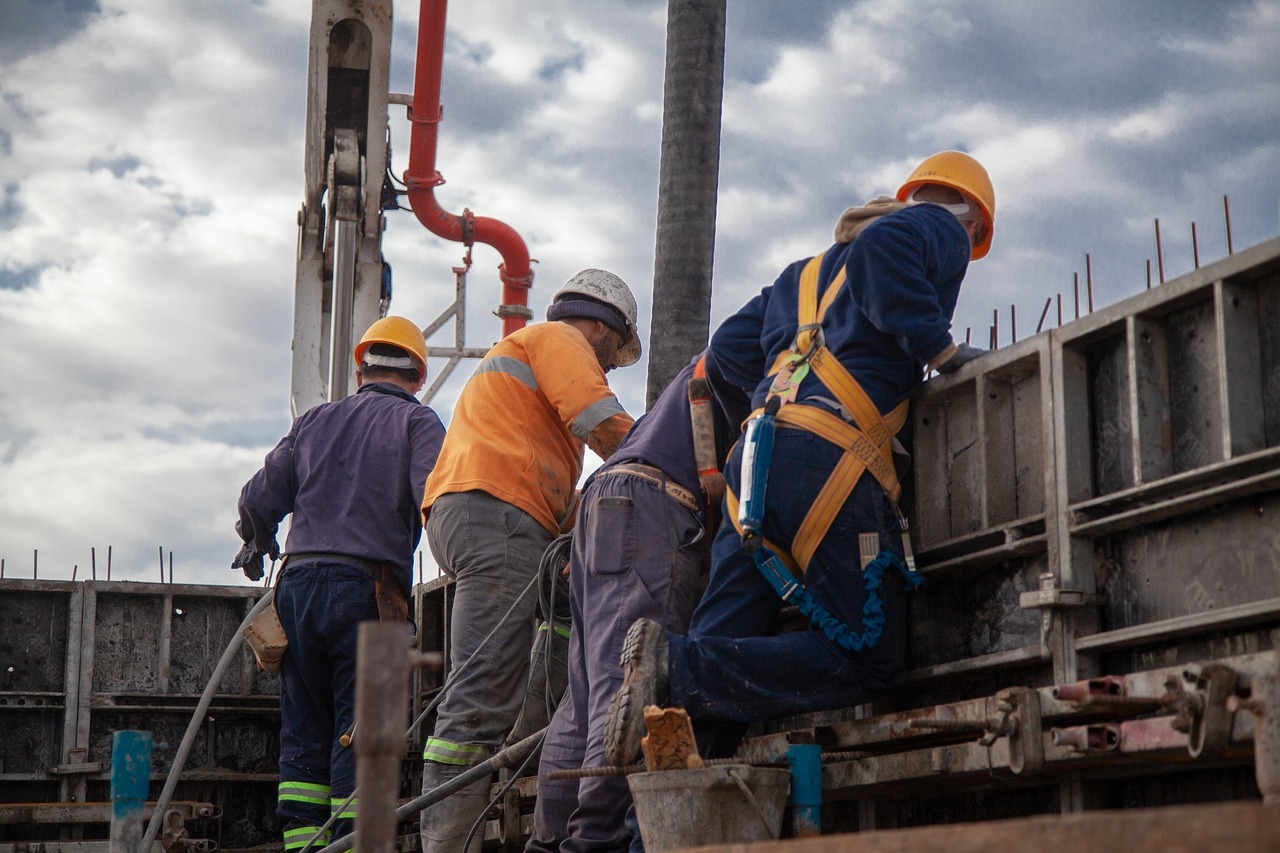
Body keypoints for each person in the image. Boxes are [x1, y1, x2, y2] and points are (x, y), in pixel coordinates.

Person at [604, 151, 996, 768]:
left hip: (753, 465)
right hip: (830, 463)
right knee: (870, 657)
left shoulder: (800, 276)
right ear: (973, 219)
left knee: (716, 655)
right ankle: (678, 666)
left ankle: (653, 820)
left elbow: (727, 353)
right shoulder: (941, 222)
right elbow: (884, 254)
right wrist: (942, 354)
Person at [418, 269, 642, 853]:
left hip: (488, 514)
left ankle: (533, 743)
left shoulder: (527, 370)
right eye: (615, 355)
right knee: (477, 702)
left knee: (551, 634)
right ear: (601, 326)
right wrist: (660, 458)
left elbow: (556, 483)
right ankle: (446, 845)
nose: (611, 367)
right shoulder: (561, 341)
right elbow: (602, 423)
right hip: (498, 517)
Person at [231, 316, 445, 850]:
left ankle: (303, 845)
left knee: (305, 728)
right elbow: (435, 499)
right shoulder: (420, 425)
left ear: (361, 370)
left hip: (297, 589)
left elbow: (258, 498)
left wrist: (257, 542)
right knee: (364, 733)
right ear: (417, 376)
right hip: (369, 593)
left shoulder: (314, 421)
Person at [525, 350, 748, 853]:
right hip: (651, 508)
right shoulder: (776, 364)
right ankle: (594, 844)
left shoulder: (673, 406)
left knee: (583, 704)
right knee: (627, 689)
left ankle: (549, 845)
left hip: (602, 506)